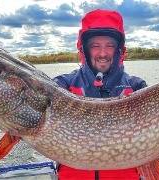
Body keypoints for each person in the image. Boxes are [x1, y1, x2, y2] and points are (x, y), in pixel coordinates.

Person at [53, 9, 148, 179]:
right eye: (95, 46)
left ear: (119, 50)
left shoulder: (136, 86)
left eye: (109, 45)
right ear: (85, 50)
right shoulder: (63, 85)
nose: (102, 53)